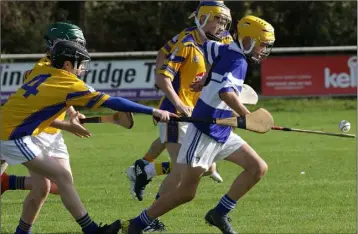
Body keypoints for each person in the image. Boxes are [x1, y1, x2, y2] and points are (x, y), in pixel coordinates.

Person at [0, 40, 174, 234]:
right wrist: (152, 110)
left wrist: (71, 115)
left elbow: (44, 106)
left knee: (50, 182)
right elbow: (113, 101)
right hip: (11, 136)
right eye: (79, 63)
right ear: (67, 65)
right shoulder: (69, 83)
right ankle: (91, 230)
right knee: (61, 176)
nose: (82, 68)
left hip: (8, 130)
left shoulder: (43, 70)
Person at [122, 15, 275, 234]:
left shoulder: (228, 48)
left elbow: (210, 49)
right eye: (262, 45)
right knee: (186, 192)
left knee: (257, 168)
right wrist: (247, 115)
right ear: (248, 40)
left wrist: (207, 78)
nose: (263, 50)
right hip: (204, 131)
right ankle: (138, 223)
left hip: (221, 127)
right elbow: (227, 92)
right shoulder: (238, 61)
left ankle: (219, 213)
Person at [126, 2, 235, 202]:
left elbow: (221, 64)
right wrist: (175, 99)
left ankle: (145, 169)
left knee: (206, 166)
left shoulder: (225, 39)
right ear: (202, 18)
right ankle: (150, 217)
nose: (222, 26)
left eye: (224, 22)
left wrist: (207, 80)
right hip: (177, 113)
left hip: (200, 111)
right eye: (217, 20)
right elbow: (162, 69)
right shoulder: (186, 40)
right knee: (181, 170)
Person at [1, 22, 90, 196]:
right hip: (29, 131)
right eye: (75, 43)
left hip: (45, 132)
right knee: (48, 185)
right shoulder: (43, 68)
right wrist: (66, 125)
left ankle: (5, 182)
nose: (78, 48)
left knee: (58, 185)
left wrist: (71, 113)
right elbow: (35, 113)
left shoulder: (59, 66)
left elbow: (62, 95)